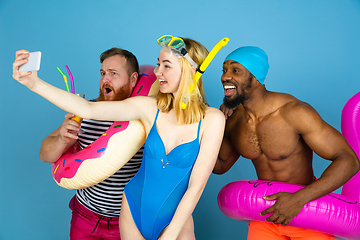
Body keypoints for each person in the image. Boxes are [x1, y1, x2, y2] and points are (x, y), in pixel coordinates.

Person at [13, 35, 225, 240]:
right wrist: (34, 83)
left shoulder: (213, 120)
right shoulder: (149, 108)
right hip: (132, 211)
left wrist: (169, 236)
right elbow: (86, 108)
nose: (158, 71)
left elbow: (196, 186)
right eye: (158, 63)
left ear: (191, 70)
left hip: (176, 221)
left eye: (166, 65)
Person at [213, 46, 360, 240]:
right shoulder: (233, 120)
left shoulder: (294, 113)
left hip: (308, 213)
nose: (225, 77)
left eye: (235, 70)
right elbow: (219, 165)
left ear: (255, 77)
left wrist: (299, 200)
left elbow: (349, 161)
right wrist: (200, 129)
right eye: (224, 70)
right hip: (265, 216)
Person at [39, 47, 143, 240]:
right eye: (103, 73)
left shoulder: (142, 119)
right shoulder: (85, 112)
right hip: (85, 216)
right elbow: (45, 155)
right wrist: (62, 138)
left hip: (128, 221)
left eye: (113, 74)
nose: (105, 79)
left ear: (133, 80)